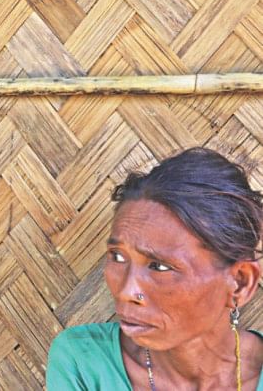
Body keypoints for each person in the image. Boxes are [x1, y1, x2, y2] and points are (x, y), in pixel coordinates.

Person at [46, 147, 263, 390]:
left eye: (159, 266)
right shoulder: (83, 362)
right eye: (117, 256)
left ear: (240, 283)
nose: (126, 292)